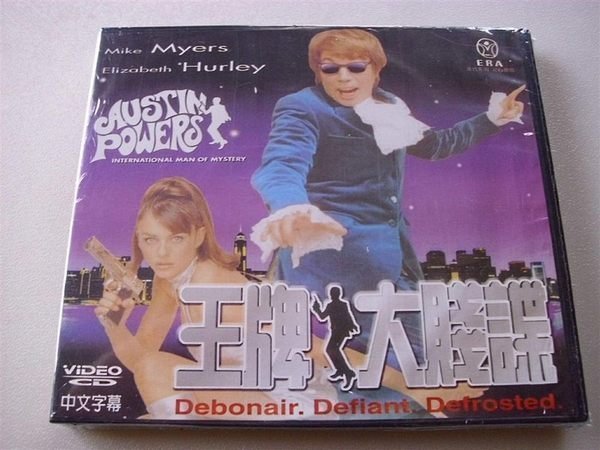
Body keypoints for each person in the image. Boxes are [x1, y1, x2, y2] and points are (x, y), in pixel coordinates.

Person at [251, 28, 524, 397]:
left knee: (422, 371)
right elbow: (282, 164)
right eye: (331, 69)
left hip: (396, 263)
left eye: (356, 67)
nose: (344, 78)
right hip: (334, 268)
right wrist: (290, 207)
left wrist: (491, 119)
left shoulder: (390, 106)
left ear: (375, 70)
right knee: (363, 381)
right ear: (318, 71)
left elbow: (436, 144)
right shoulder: (301, 107)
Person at [95, 176, 261, 419]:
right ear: (138, 238)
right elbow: (141, 362)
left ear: (199, 236)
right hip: (238, 393)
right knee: (153, 374)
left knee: (156, 401)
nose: (161, 253)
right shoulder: (171, 279)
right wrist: (114, 325)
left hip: (281, 396)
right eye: (150, 239)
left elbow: (309, 347)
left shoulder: (209, 281)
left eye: (176, 238)